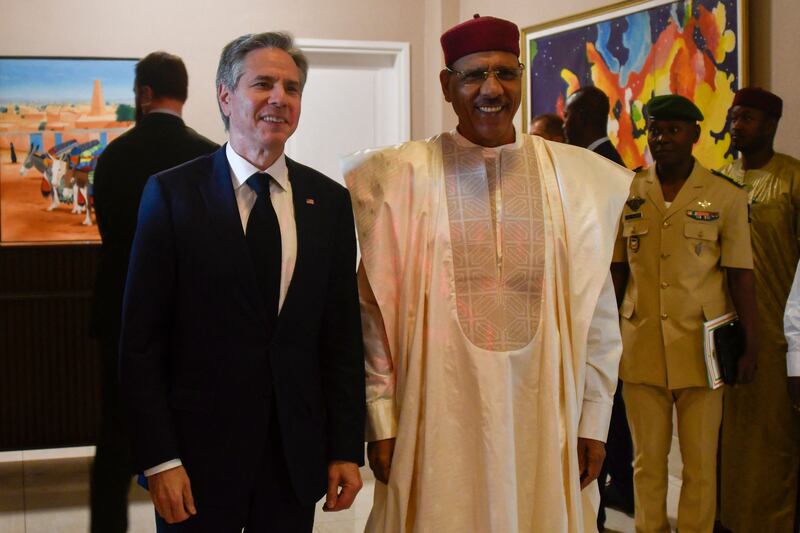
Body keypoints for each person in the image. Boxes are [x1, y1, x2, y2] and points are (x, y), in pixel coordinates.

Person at [344, 15, 633, 532]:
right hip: (435, 417)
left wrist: (595, 418)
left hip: (546, 412)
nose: (491, 90)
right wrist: (381, 419)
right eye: (474, 75)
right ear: (446, 85)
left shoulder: (575, 179)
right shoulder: (399, 178)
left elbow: (598, 314)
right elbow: (374, 316)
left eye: (506, 73)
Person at [119, 32, 365, 532]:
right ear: (225, 96)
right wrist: (160, 459)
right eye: (264, 84)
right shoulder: (172, 196)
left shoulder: (330, 204)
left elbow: (340, 337)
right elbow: (141, 344)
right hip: (196, 462)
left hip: (291, 461)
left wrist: (345, 448)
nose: (280, 98)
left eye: (292, 88)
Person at [610, 95, 757, 533]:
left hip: (704, 346)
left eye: (673, 129)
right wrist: (602, 337)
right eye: (655, 129)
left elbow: (741, 277)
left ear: (694, 135)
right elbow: (617, 271)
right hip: (640, 345)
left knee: (699, 464)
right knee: (646, 463)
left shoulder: (724, 196)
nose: (662, 138)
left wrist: (751, 344)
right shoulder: (628, 189)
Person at [89, 51, 218, 533]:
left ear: (143, 95)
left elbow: (109, 235)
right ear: (182, 93)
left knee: (115, 435)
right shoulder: (208, 155)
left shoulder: (114, 156)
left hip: (121, 313)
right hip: (193, 321)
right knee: (190, 434)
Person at [718, 87, 800, 533]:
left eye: (746, 117)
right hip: (725, 331)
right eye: (733, 116)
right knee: (727, 435)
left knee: (773, 436)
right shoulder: (721, 178)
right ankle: (726, 519)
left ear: (770, 125)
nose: (736, 124)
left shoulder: (792, 179)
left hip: (777, 331)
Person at [564, 85, 633, 528]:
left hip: (608, 316)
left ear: (586, 115)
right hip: (610, 318)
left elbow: (611, 261)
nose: (565, 125)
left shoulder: (599, 169)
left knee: (609, 424)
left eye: (569, 116)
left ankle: (608, 502)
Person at [563, 86, 624, 166]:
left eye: (566, 116)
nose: (563, 126)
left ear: (581, 117)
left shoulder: (601, 163)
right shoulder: (606, 157)